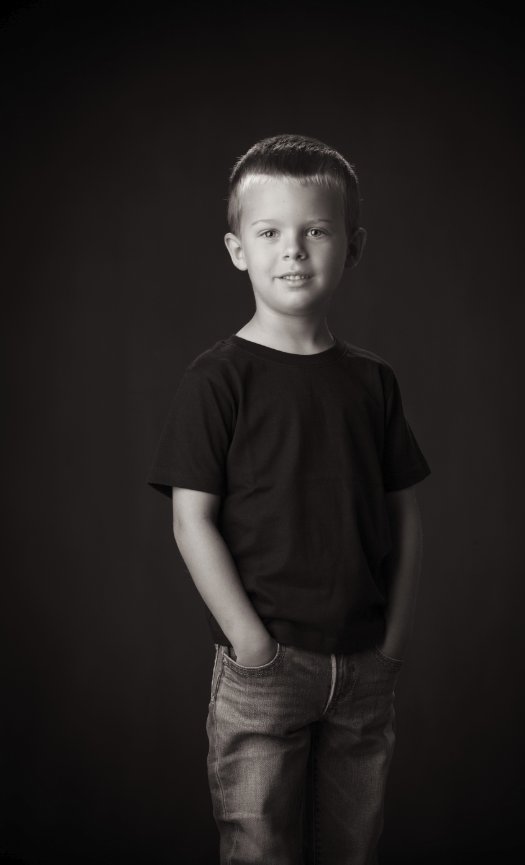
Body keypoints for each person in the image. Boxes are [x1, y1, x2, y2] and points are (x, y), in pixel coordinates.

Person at [146, 133, 432, 865]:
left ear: (353, 245)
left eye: (316, 230)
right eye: (270, 232)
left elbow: (404, 515)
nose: (294, 250)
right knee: (261, 851)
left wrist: (392, 641)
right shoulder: (218, 379)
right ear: (239, 249)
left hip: (364, 667)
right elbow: (191, 520)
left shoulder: (373, 383)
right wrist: (251, 644)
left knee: (348, 849)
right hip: (264, 670)